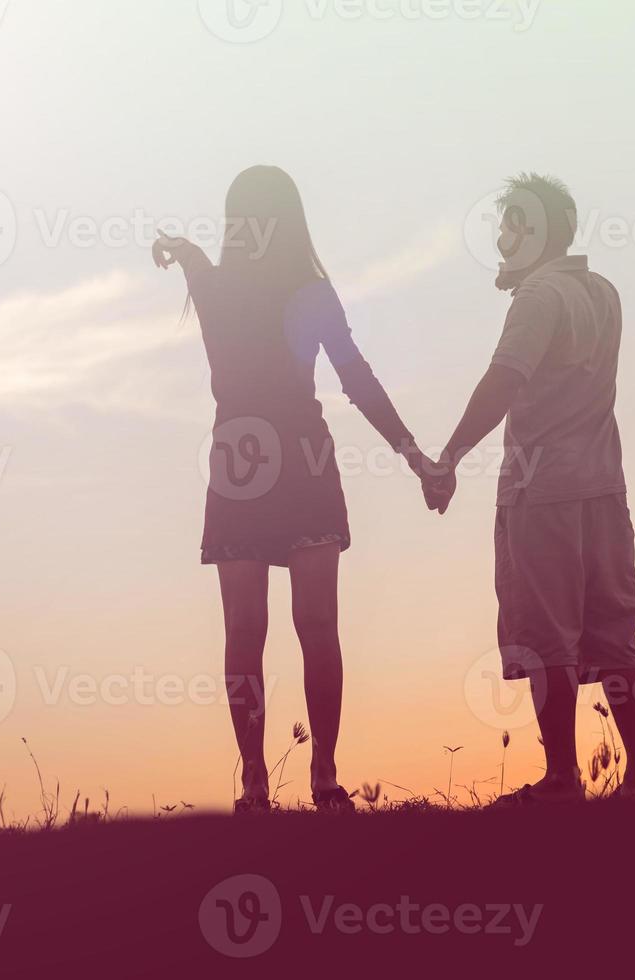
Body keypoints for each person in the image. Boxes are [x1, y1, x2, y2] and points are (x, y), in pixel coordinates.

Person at [153, 165, 443, 815]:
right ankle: (278, 778)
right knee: (268, 626)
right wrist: (415, 455)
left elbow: (355, 377)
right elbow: (357, 379)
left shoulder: (294, 291)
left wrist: (413, 454)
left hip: (277, 461)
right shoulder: (234, 286)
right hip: (258, 462)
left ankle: (306, 775)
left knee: (290, 626)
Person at [426, 173, 635, 803]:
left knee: (548, 632)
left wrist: (446, 459)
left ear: (531, 232)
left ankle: (561, 778)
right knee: (614, 631)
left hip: (543, 492)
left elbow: (504, 381)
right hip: (605, 490)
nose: (499, 241)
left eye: (507, 228)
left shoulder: (537, 297)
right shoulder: (602, 292)